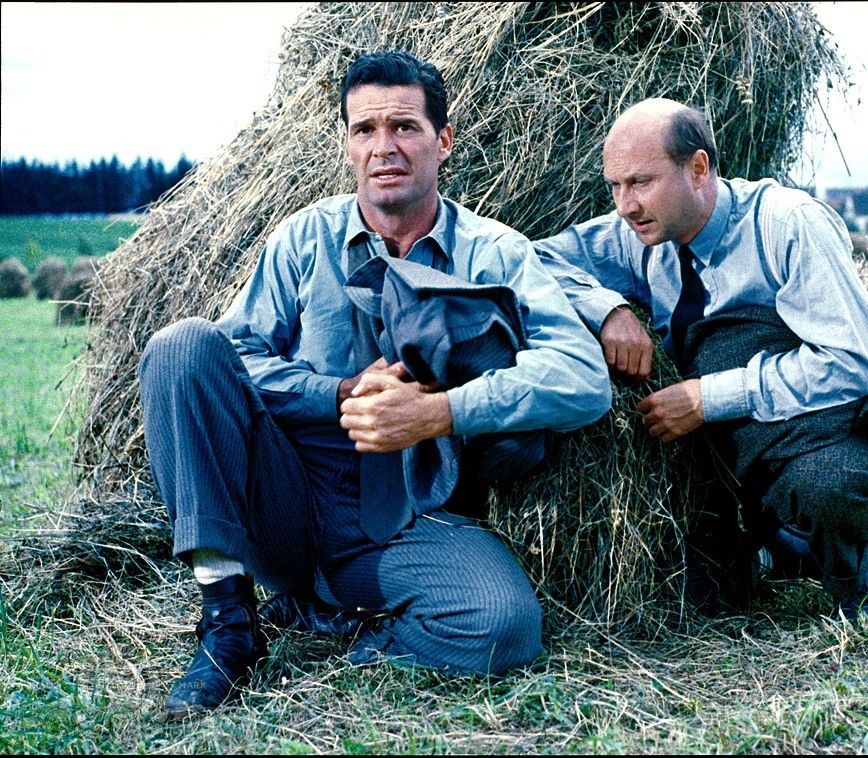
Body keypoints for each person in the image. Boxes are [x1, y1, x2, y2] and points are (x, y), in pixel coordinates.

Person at [137, 50, 612, 719]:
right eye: (365, 129)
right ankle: (228, 625)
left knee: (503, 625)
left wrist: (439, 413)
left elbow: (583, 377)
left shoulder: (495, 252)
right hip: (286, 501)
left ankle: (343, 628)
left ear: (443, 141)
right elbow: (235, 355)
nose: (384, 147)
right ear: (347, 145)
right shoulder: (306, 239)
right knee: (181, 346)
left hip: (410, 520)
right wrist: (334, 392)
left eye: (405, 127)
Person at [535, 97, 868, 621]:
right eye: (614, 186)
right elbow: (530, 259)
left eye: (641, 182)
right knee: (704, 594)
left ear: (697, 169)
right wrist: (607, 310)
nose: (624, 205)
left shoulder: (787, 223)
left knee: (828, 481)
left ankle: (842, 573)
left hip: (827, 429)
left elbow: (850, 363)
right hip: (727, 454)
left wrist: (707, 397)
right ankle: (771, 541)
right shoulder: (637, 236)